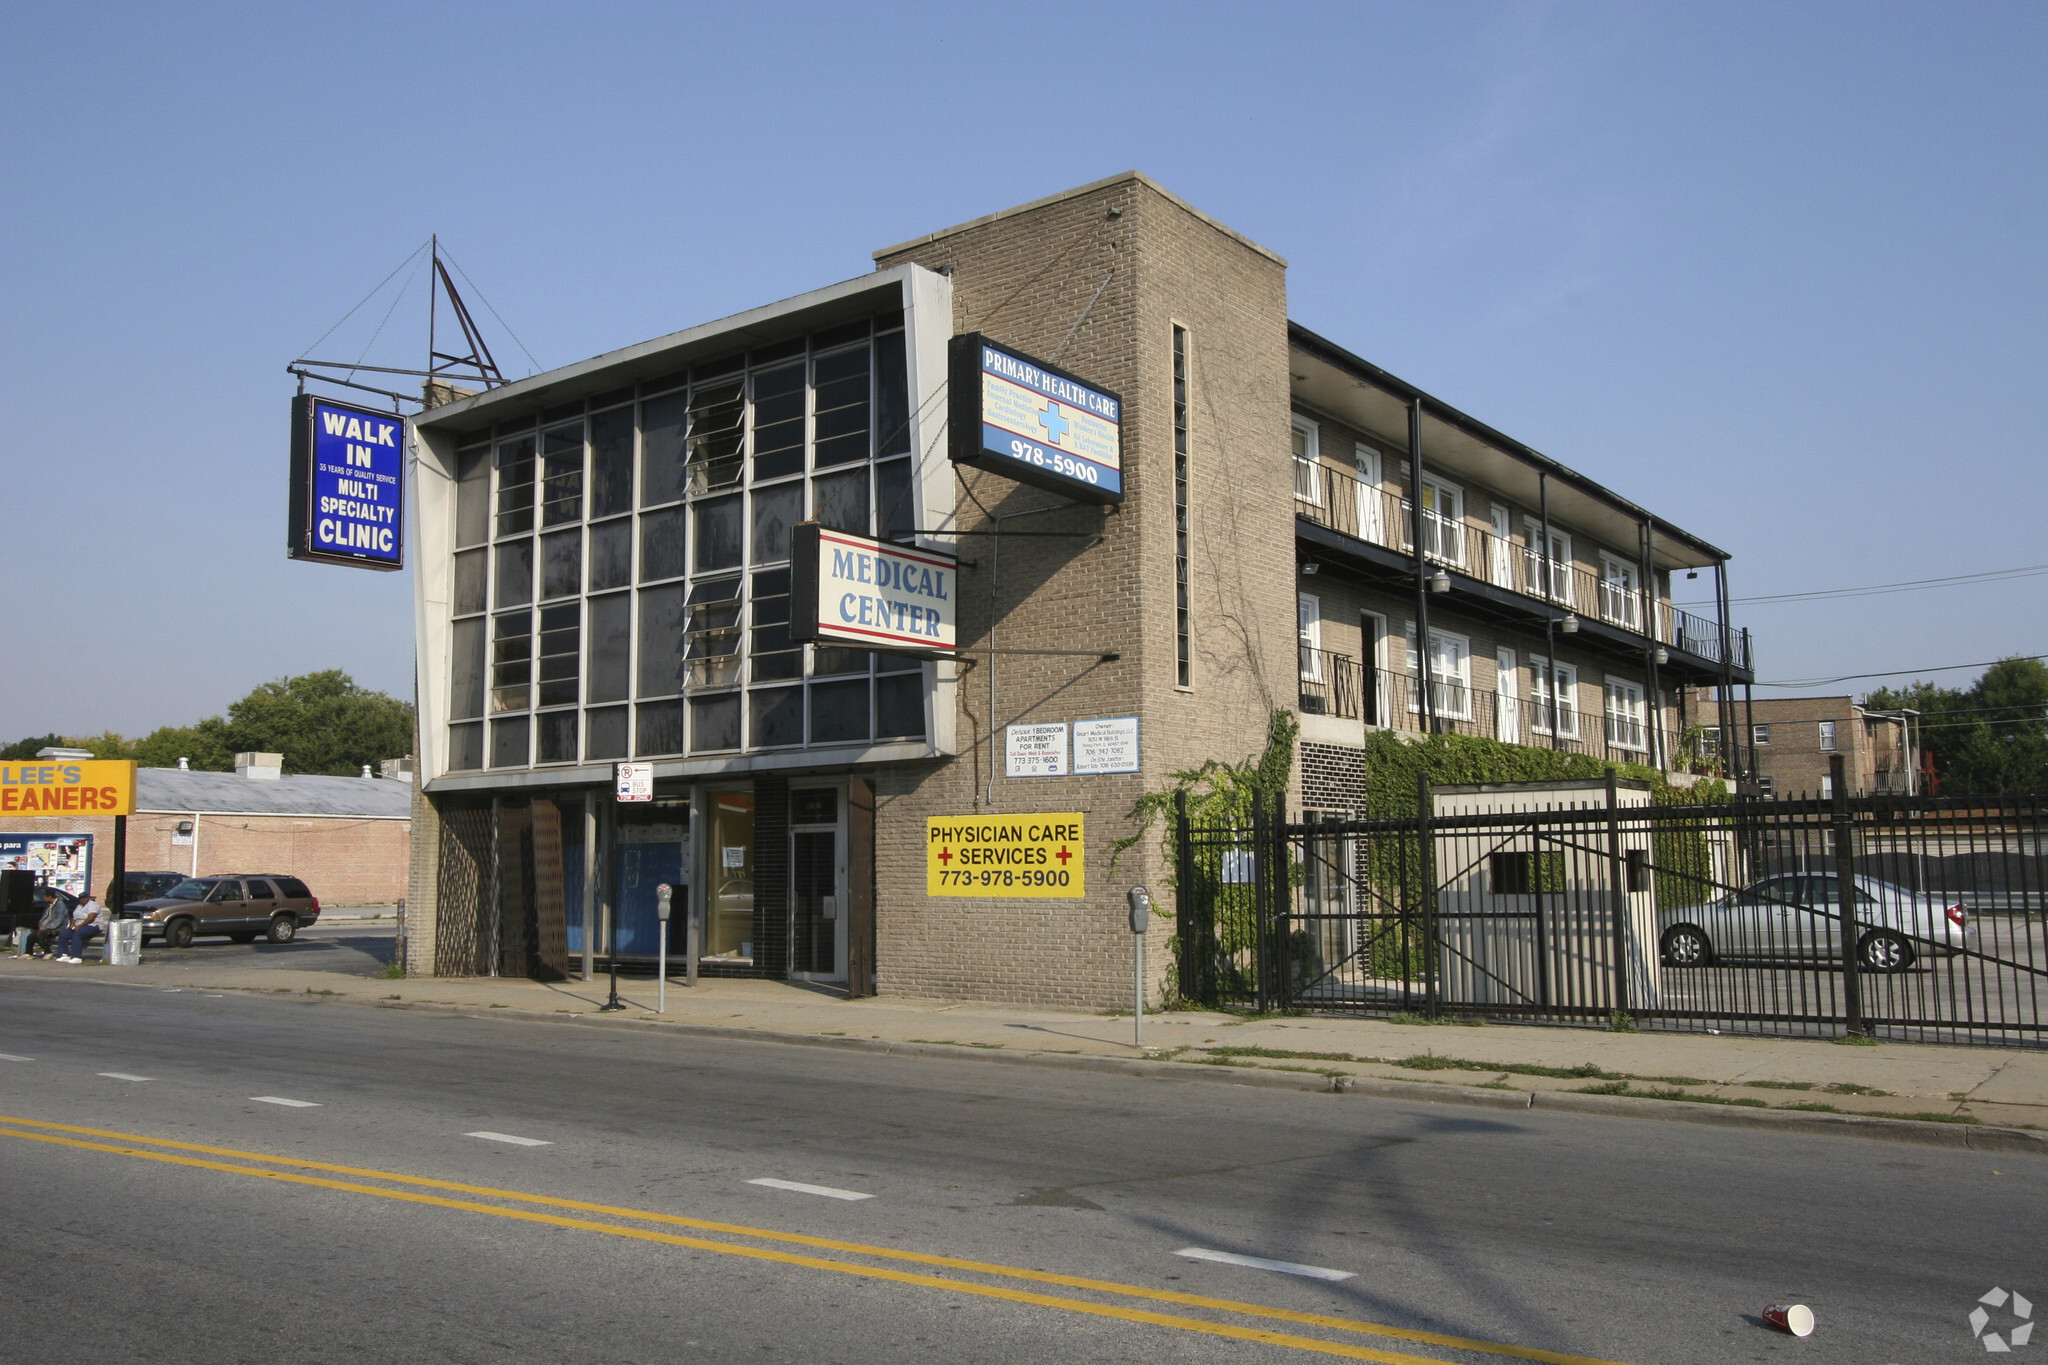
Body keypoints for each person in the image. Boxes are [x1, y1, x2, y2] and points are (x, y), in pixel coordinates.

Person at [55, 892, 102, 963]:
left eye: (85, 898)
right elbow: (74, 916)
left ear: (88, 898)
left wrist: (79, 926)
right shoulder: (79, 906)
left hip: (92, 926)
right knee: (63, 934)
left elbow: (91, 918)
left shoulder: (93, 905)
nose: (83, 899)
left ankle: (76, 956)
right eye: (81, 898)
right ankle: (64, 954)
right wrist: (72, 924)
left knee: (77, 934)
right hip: (79, 926)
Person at [25, 890, 71, 958]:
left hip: (58, 928)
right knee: (31, 936)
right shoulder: (49, 905)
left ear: (49, 897)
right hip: (48, 927)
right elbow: (45, 917)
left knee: (40, 934)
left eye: (44, 896)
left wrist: (47, 927)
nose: (43, 898)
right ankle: (28, 953)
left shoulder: (60, 905)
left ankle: (48, 952)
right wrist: (41, 925)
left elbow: (58, 920)